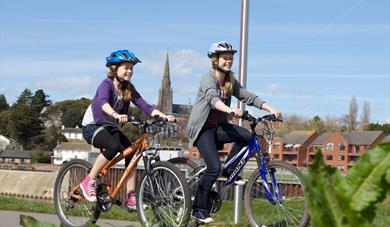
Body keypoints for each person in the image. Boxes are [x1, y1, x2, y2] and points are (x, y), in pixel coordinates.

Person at [186, 41, 281, 223]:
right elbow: (213, 99)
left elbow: (247, 96)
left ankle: (229, 171)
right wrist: (229, 110)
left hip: (218, 127)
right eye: (225, 58)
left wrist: (269, 108)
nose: (228, 61)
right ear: (215, 60)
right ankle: (199, 209)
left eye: (231, 58)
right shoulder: (208, 78)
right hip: (202, 129)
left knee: (246, 136)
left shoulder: (230, 80)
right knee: (213, 167)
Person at [80, 49, 175, 211]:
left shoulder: (128, 89)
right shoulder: (106, 84)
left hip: (110, 128)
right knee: (113, 146)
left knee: (131, 154)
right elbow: (103, 102)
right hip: (93, 126)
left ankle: (130, 196)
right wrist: (115, 114)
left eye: (132, 68)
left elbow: (143, 105)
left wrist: (162, 115)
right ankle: (89, 180)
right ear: (114, 68)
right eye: (126, 67)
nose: (130, 71)